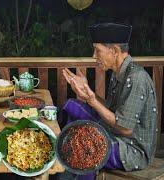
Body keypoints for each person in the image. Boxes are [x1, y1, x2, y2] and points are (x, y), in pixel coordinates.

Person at [62, 23, 157, 179]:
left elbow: (125, 129)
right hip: (114, 132)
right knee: (71, 106)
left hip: (132, 149)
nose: (94, 56)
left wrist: (92, 101)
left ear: (114, 51)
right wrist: (88, 92)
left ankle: (71, 170)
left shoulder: (136, 78)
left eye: (98, 50)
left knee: (85, 146)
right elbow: (109, 109)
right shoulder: (119, 72)